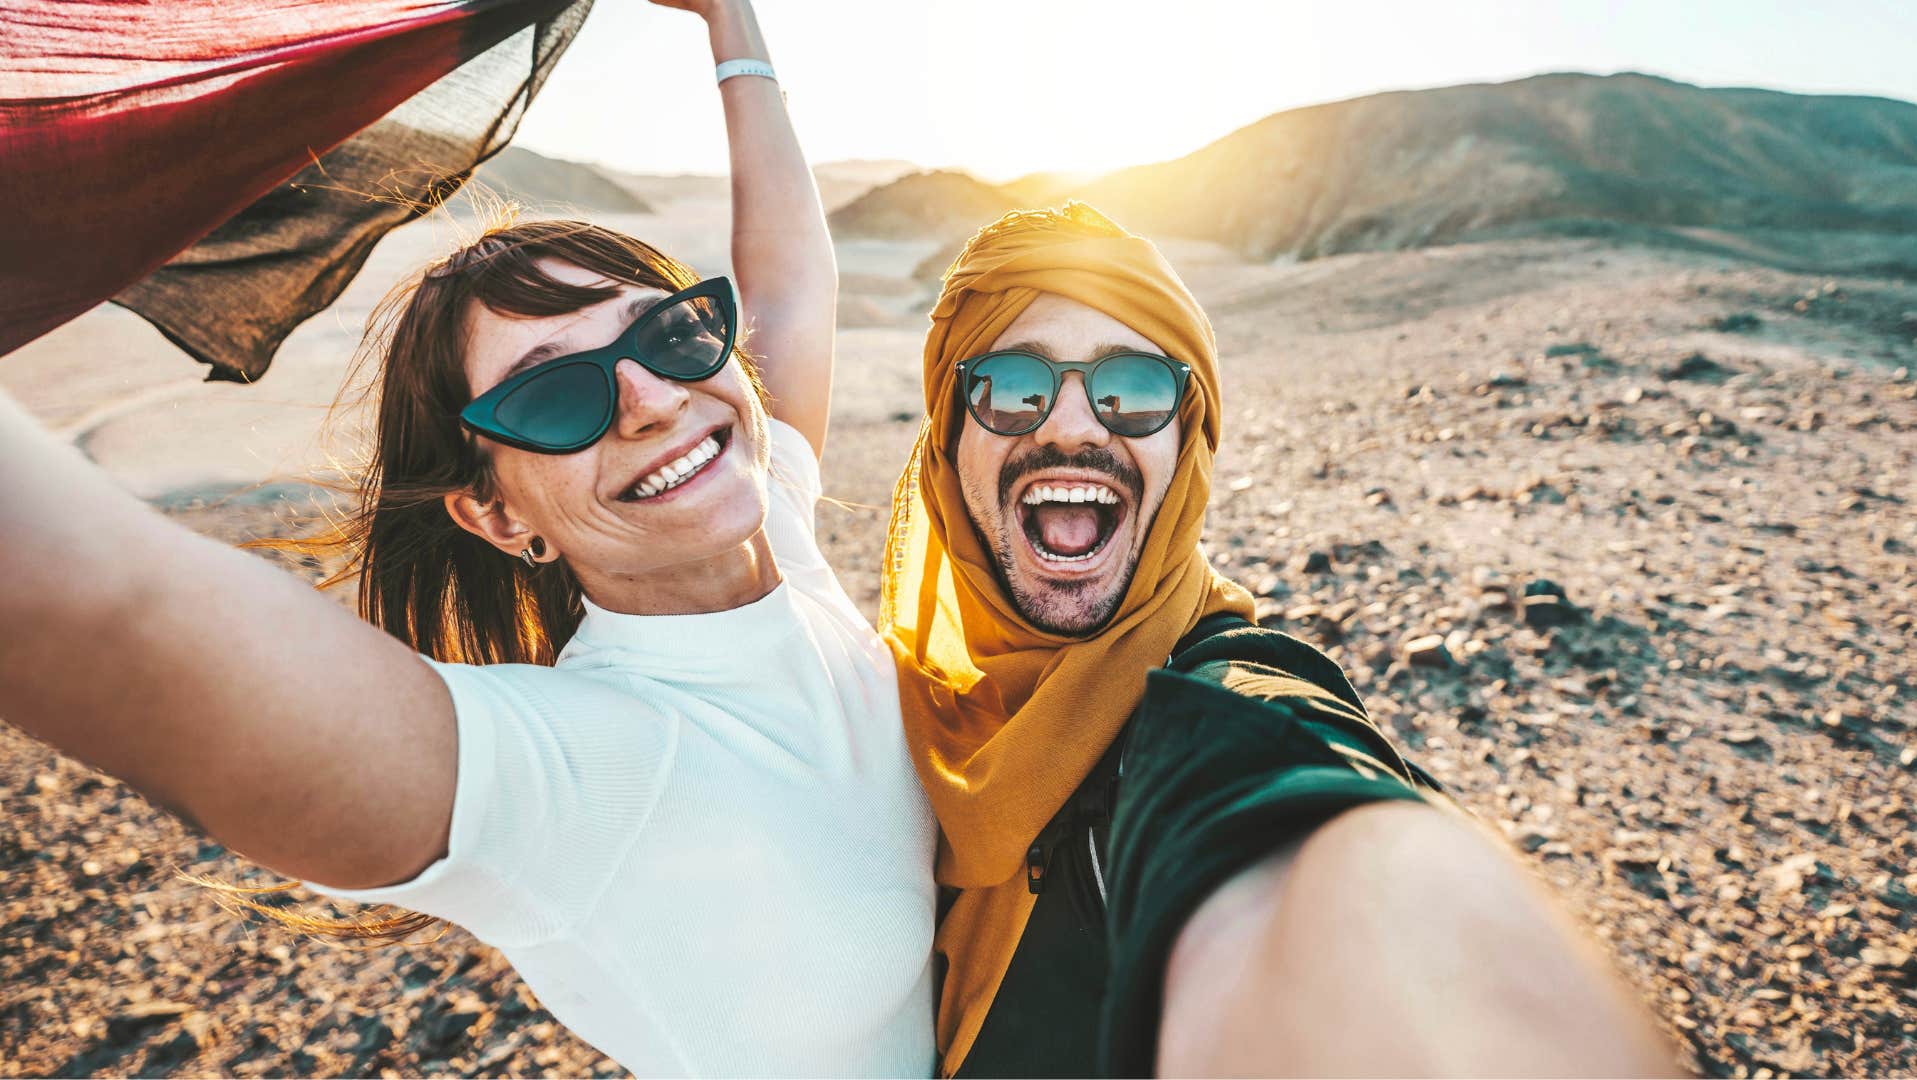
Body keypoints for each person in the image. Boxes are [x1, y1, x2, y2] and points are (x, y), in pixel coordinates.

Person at [0, 1, 939, 1075]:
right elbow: (105, 605)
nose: (649, 399)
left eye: (669, 331)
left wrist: (731, 21)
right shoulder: (573, 772)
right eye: (552, 399)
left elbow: (789, 283)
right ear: (495, 514)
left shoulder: (772, 525)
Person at [880, 203, 1680, 1077]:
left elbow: (1307, 842)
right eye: (1011, 385)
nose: (1072, 427)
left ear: (1189, 441)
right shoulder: (895, 714)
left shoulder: (1217, 705)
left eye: (1136, 389)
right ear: (948, 438)